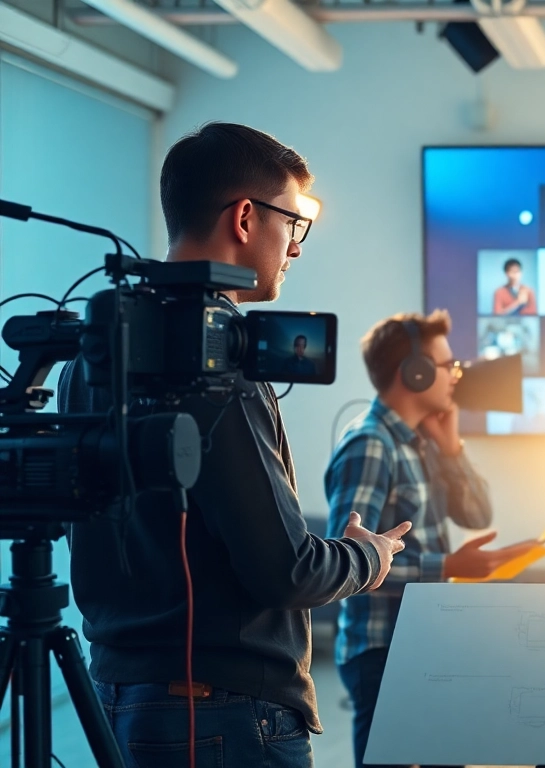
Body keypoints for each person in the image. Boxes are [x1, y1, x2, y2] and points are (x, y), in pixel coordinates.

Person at [57, 123, 410, 768]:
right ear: (246, 217)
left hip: (118, 699)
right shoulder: (215, 366)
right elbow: (287, 568)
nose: (296, 249)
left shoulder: (91, 355)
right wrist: (368, 556)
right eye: (293, 224)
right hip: (224, 716)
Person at [326, 310, 539, 768]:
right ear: (414, 372)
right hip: (382, 649)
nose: (457, 377)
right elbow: (344, 560)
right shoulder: (370, 443)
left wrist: (452, 449)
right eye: (449, 367)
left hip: (426, 639)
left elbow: (479, 513)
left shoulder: (420, 441)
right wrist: (446, 567)